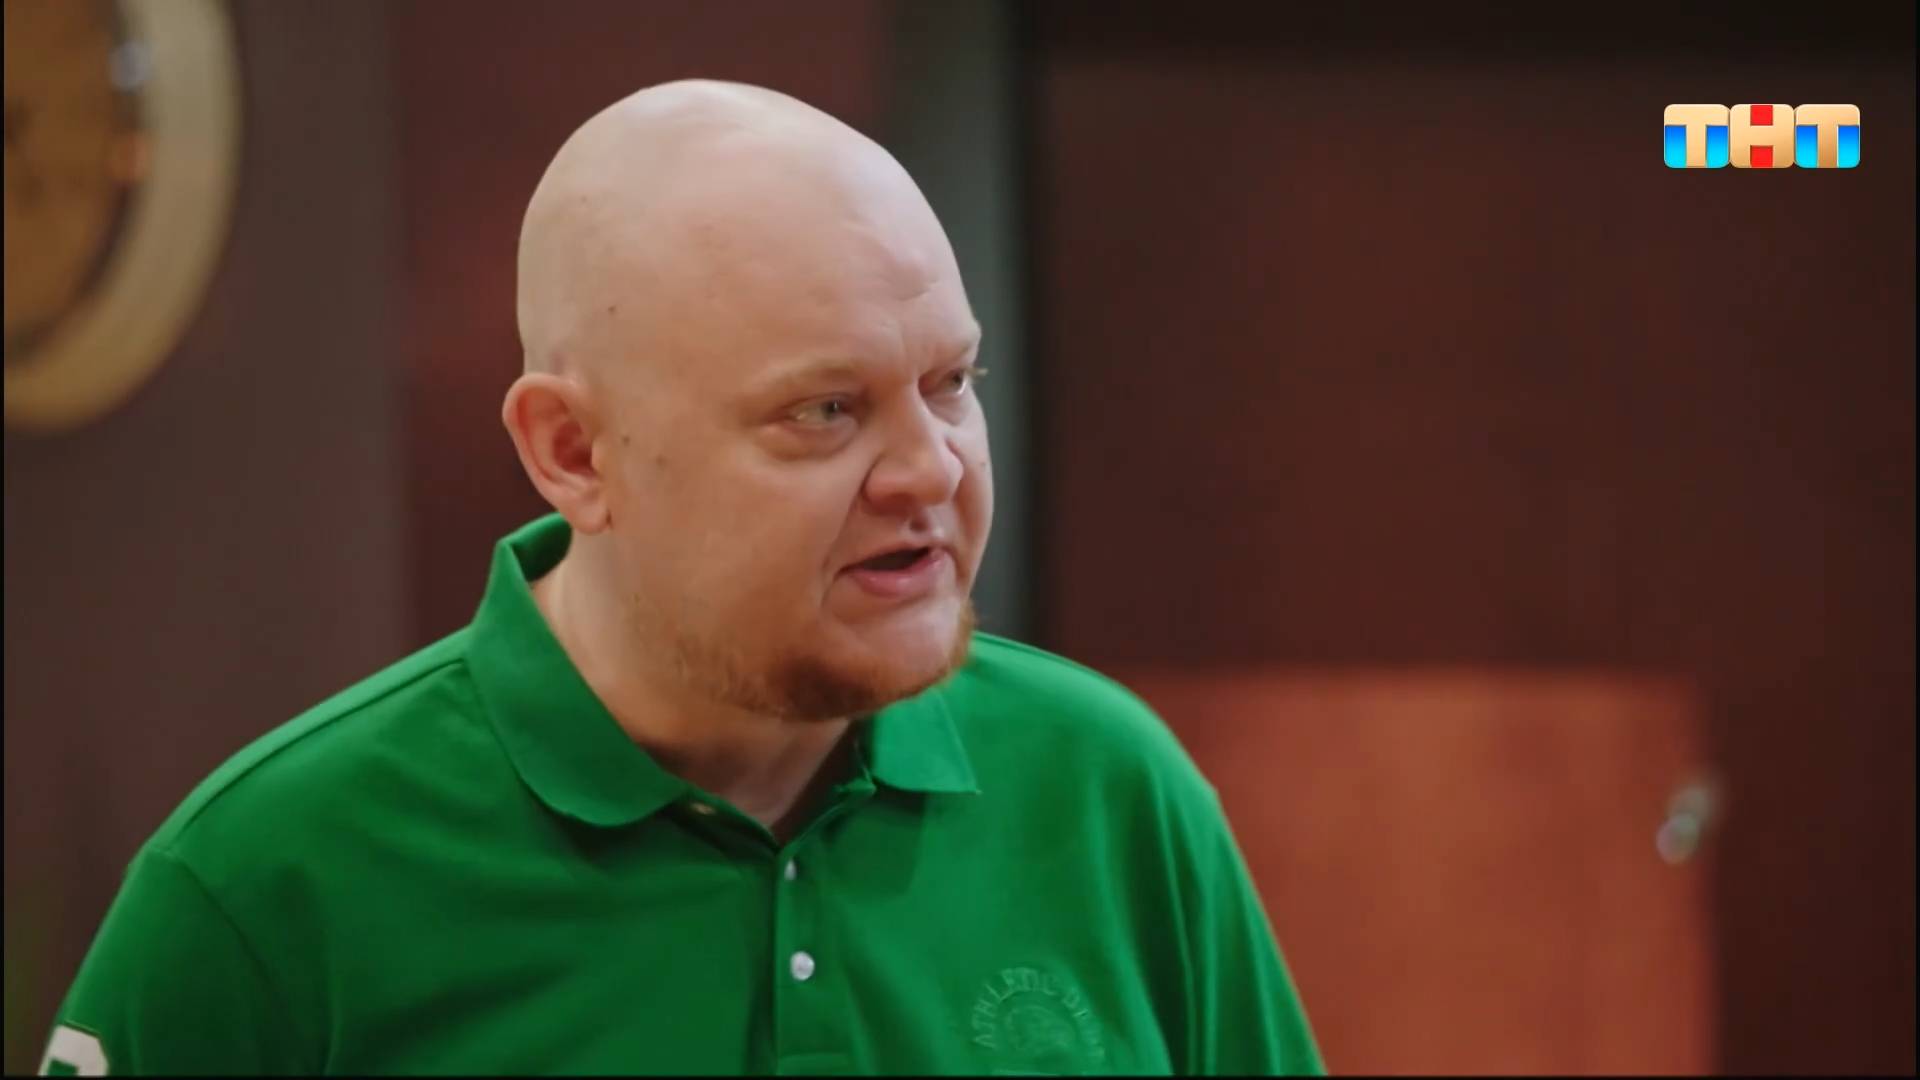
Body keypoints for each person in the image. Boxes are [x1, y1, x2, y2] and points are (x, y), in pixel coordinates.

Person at [40, 79, 1323, 1076]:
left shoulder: (1111, 795)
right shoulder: (267, 888)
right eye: (825, 410)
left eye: (950, 384)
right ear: (573, 453)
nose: (931, 469)